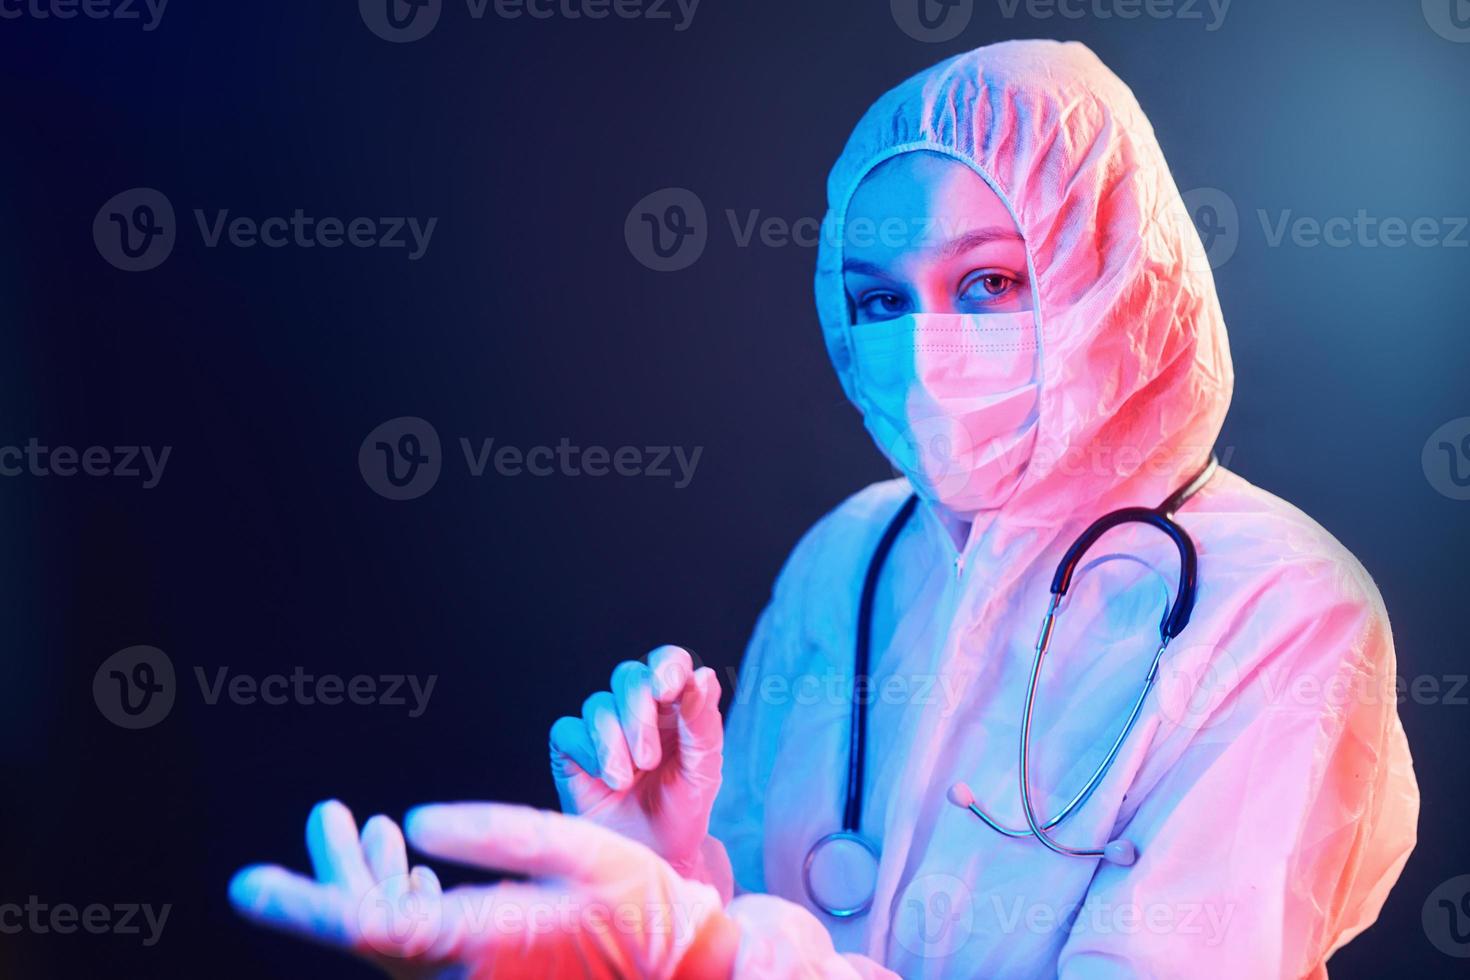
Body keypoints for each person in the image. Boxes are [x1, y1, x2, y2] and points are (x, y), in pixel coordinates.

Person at [228, 39, 1419, 978]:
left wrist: (702, 950)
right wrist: (658, 881)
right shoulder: (851, 558)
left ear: (1112, 267)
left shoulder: (1282, 612)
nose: (922, 349)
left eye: (990, 281)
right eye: (879, 297)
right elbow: (763, 914)